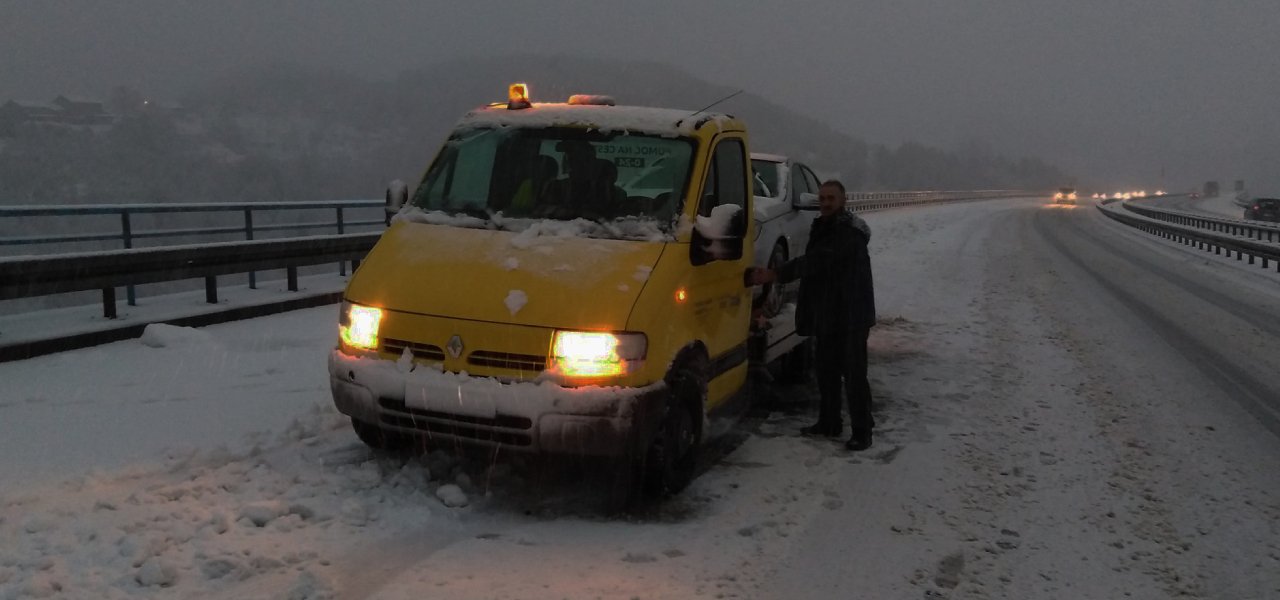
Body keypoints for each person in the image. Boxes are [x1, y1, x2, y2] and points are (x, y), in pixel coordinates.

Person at [747, 179, 877, 451]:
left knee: (853, 375)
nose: (826, 202)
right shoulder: (825, 225)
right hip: (830, 311)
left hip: (852, 314)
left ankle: (862, 431)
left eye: (831, 198)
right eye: (823, 197)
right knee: (826, 370)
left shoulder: (847, 233)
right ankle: (829, 423)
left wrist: (775, 273)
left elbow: (818, 262)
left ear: (843, 200)